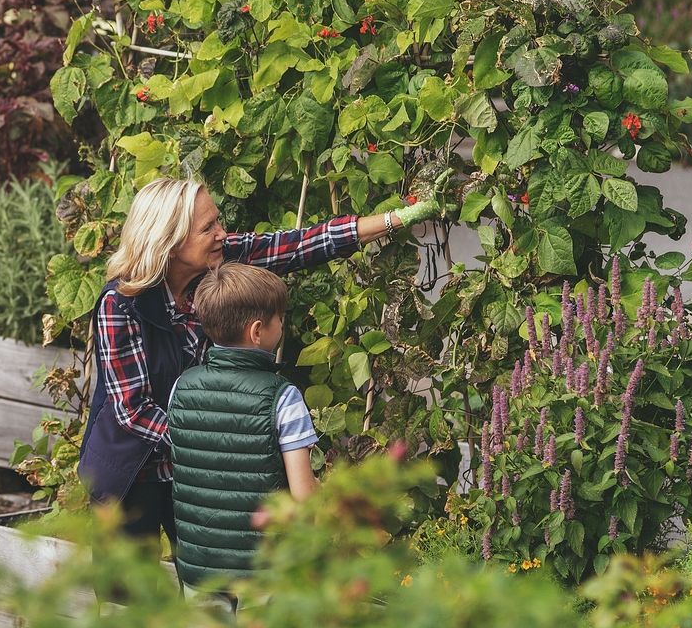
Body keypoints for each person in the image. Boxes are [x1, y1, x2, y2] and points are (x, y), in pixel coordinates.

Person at [78, 177, 439, 550]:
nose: (222, 234)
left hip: (191, 472)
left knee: (210, 581)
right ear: (169, 243)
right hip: (131, 471)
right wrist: (221, 445)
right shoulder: (121, 304)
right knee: (129, 597)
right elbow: (133, 410)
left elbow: (298, 246)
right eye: (208, 228)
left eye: (218, 221)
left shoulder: (215, 264)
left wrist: (397, 218)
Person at [167, 263, 319, 590]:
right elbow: (305, 501)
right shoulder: (284, 398)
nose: (283, 324)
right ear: (257, 331)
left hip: (198, 571)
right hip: (263, 576)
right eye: (279, 318)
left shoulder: (182, 387)